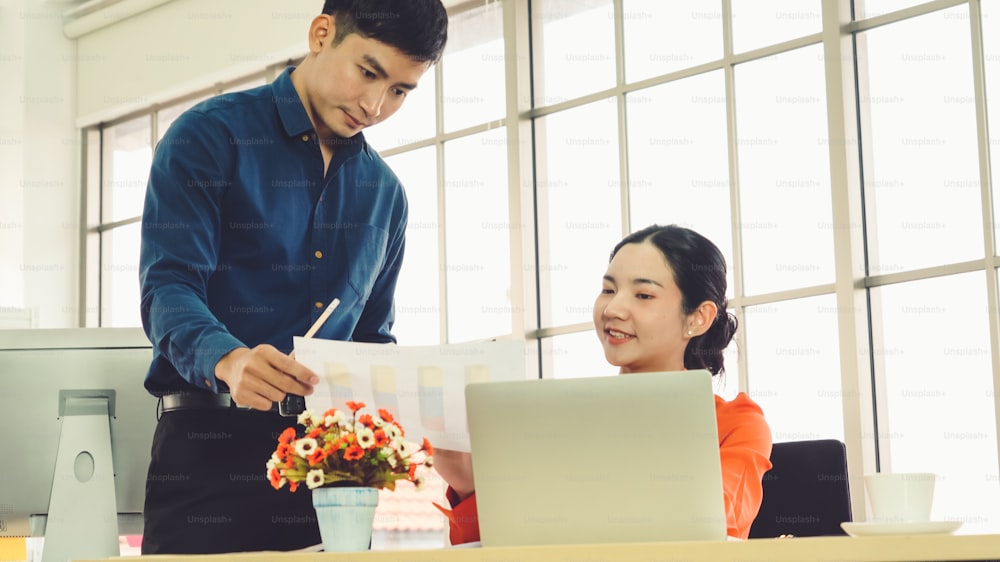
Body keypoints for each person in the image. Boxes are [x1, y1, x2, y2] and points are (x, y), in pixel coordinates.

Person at [138, 0, 448, 554]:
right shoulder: (208, 137)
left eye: (400, 91)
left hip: (330, 473)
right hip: (208, 457)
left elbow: (373, 340)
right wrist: (229, 360)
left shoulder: (386, 197)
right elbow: (168, 288)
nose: (375, 105)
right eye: (369, 72)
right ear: (321, 33)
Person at [434, 224, 773, 543]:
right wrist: (470, 488)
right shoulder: (553, 422)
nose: (613, 307)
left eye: (643, 295)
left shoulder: (737, 424)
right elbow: (493, 549)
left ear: (698, 318)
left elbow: (715, 531)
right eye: (608, 289)